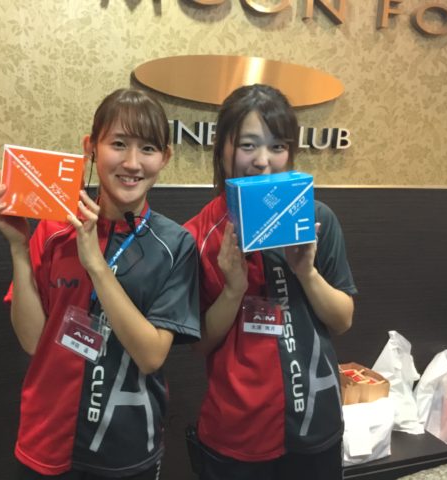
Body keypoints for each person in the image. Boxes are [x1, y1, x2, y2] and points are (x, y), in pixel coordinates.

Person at [0, 88, 200, 479]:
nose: (132, 163)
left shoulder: (175, 244)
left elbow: (151, 357)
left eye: (148, 148)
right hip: (46, 436)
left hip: (126, 446)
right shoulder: (54, 228)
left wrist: (96, 265)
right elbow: (33, 341)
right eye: (118, 144)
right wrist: (18, 248)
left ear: (165, 158)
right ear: (90, 148)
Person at [184, 84, 357, 480]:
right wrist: (233, 290)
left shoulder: (317, 219)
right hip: (238, 434)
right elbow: (199, 344)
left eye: (277, 146)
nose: (263, 161)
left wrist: (307, 272)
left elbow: (343, 319)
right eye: (248, 145)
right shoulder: (198, 235)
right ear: (222, 149)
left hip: (316, 423)